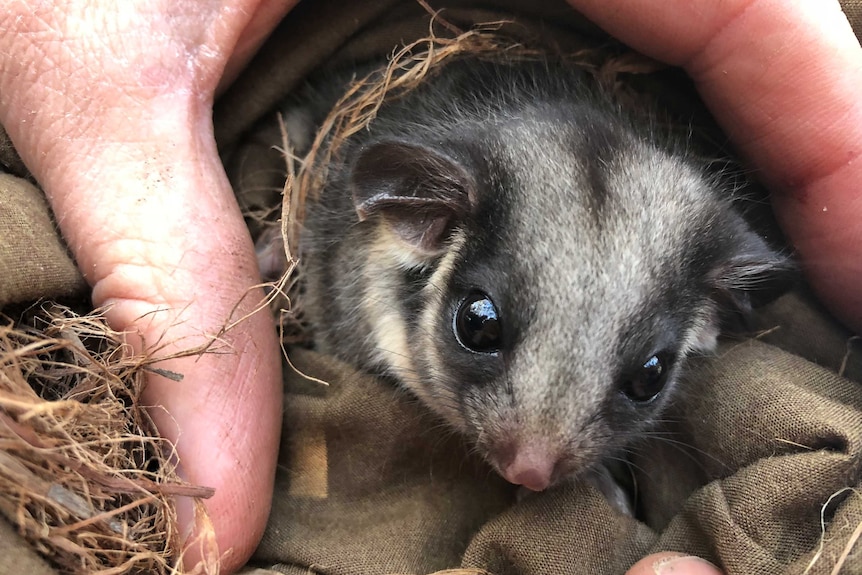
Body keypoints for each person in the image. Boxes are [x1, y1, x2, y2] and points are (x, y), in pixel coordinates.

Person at [0, 1, 858, 573]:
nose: (533, 461)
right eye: (479, 326)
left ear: (704, 320)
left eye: (641, 379)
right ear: (422, 221)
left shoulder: (697, 267)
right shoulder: (397, 204)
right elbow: (331, 123)